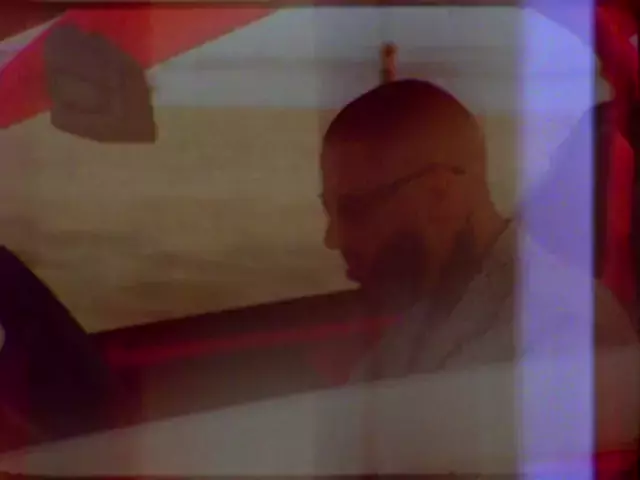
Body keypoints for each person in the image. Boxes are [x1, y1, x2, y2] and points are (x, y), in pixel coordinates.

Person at [318, 79, 640, 474]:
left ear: (438, 194)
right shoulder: (427, 313)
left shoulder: (565, 336)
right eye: (329, 211)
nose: (333, 239)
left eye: (354, 211)